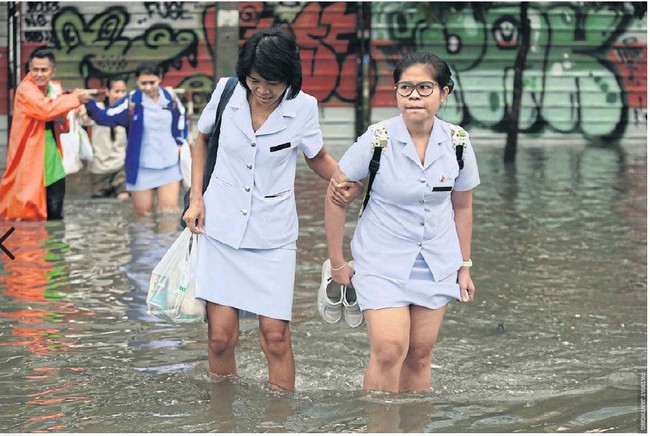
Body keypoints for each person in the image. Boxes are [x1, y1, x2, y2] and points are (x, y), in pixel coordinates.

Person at [183, 27, 361, 391]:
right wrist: (196, 198)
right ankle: (222, 421)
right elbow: (201, 141)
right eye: (256, 81)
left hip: (273, 236)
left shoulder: (303, 107)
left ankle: (278, 421)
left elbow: (318, 157)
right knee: (220, 336)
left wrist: (347, 181)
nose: (263, 90)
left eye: (273, 83)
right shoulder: (227, 92)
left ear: (289, 79)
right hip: (219, 228)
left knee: (275, 335)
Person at [324, 51, 480, 393]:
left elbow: (463, 207)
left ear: (445, 92)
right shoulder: (376, 139)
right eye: (405, 87)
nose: (413, 96)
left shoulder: (457, 143)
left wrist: (464, 266)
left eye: (425, 88)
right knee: (390, 350)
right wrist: (337, 262)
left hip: (437, 261)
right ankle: (377, 427)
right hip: (381, 261)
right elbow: (336, 197)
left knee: (421, 355)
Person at [84, 63, 187, 214]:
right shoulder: (132, 101)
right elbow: (106, 117)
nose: (148, 87)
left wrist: (179, 142)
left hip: (169, 164)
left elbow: (181, 120)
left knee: (169, 214)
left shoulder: (170, 98)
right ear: (137, 82)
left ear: (160, 79)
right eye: (143, 83)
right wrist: (89, 103)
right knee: (142, 218)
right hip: (141, 167)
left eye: (152, 82)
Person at [0, 49, 91, 221]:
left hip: (52, 156)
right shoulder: (25, 89)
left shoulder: (54, 89)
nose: (39, 74)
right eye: (35, 70)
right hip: (30, 158)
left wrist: (66, 110)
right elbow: (45, 110)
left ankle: (53, 245)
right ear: (29, 69)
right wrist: (74, 99)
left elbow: (60, 122)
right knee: (28, 212)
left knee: (55, 211)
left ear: (52, 71)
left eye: (44, 70)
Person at [80, 77, 129, 200]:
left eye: (124, 92)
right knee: (100, 204)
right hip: (99, 168)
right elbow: (83, 119)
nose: (120, 95)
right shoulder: (96, 109)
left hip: (120, 166)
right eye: (117, 91)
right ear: (107, 91)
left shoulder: (128, 111)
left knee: (124, 197)